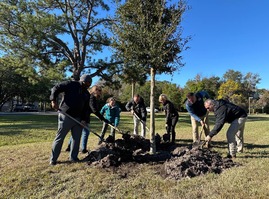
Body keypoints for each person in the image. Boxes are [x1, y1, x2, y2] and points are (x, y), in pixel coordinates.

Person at [49, 74, 92, 165]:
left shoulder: (87, 94)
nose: (89, 84)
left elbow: (86, 108)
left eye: (90, 83)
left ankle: (73, 158)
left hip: (79, 119)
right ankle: (53, 159)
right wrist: (53, 100)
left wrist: (84, 120)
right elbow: (55, 88)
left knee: (76, 139)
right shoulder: (71, 84)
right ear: (83, 81)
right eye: (88, 82)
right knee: (60, 137)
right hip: (66, 115)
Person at [67, 85, 108, 153]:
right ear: (95, 90)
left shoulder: (90, 96)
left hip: (82, 115)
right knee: (85, 132)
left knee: (76, 132)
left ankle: (69, 146)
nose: (100, 92)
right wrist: (102, 118)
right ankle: (83, 148)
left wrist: (99, 116)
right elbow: (93, 109)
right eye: (99, 91)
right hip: (83, 116)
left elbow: (92, 109)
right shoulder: (91, 97)